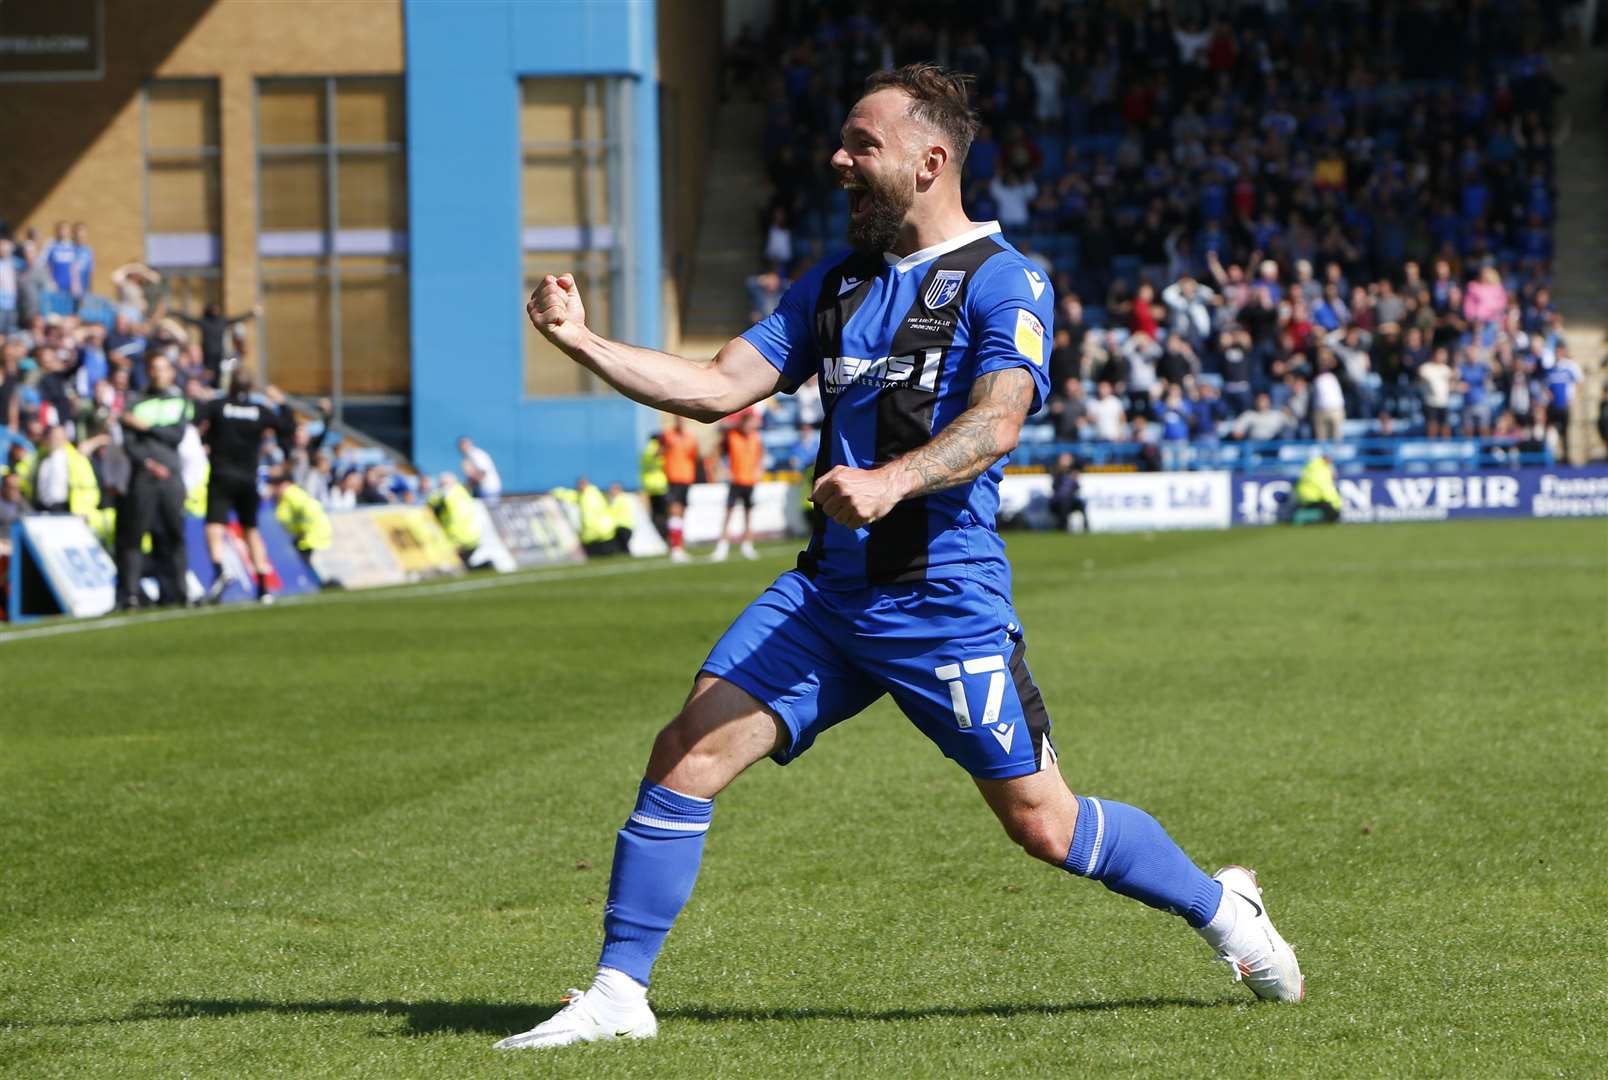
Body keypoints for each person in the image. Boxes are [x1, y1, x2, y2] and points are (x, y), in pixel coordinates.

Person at [501, 63, 1302, 1054]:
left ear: (931, 162)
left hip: (940, 601)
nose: (837, 160)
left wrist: (891, 481)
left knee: (1043, 824)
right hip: (826, 598)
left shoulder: (1007, 279)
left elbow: (999, 418)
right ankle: (620, 994)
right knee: (686, 754)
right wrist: (580, 341)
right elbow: (715, 388)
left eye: (859, 145)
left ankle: (1226, 914)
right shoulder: (835, 285)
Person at [196, 371, 290, 603]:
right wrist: (282, 404)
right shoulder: (259, 411)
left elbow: (195, 421)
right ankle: (263, 584)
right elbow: (286, 428)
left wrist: (202, 400)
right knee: (251, 530)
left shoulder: (218, 405)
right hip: (248, 478)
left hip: (222, 474)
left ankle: (219, 569)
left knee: (215, 524)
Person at [115, 354, 191, 609]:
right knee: (135, 536)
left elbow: (175, 436)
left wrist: (145, 427)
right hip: (144, 476)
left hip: (170, 478)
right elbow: (129, 442)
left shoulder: (179, 401)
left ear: (171, 373)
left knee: (172, 536)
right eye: (153, 369)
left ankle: (176, 592)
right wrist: (147, 463)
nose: (157, 374)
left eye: (162, 369)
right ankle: (131, 594)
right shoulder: (135, 401)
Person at [712, 410, 763, 561]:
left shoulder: (755, 438)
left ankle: (747, 545)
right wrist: (723, 469)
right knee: (729, 513)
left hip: (750, 481)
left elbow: (760, 455)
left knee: (748, 513)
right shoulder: (731, 437)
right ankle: (722, 546)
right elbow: (717, 452)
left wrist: (759, 469)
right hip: (736, 481)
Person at [172, 302, 262, 385]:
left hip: (219, 354)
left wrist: (252, 313)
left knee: (220, 375)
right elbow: (188, 319)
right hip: (208, 355)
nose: (215, 311)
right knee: (207, 375)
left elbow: (238, 318)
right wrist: (173, 312)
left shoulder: (222, 321)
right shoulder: (205, 322)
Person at [267, 470, 330, 580]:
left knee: (303, 562)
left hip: (309, 537)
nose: (275, 488)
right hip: (305, 536)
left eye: (278, 484)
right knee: (303, 562)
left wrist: (304, 531)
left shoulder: (292, 494)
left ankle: (317, 584)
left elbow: (309, 509)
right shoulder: (285, 497)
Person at [658, 417, 698, 563]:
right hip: (673, 477)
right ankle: (675, 547)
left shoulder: (691, 438)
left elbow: (694, 456)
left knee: (682, 512)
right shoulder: (668, 435)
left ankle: (679, 545)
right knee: (675, 510)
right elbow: (659, 452)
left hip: (686, 478)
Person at [552, 476, 618, 557]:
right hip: (591, 533)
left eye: (582, 484)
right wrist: (555, 492)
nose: (580, 486)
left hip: (603, 531)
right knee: (595, 558)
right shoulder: (581, 495)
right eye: (579, 484)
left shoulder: (593, 493)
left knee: (608, 555)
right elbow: (568, 495)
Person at [427, 472, 484, 565]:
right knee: (465, 564)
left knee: (454, 565)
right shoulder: (462, 490)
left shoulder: (445, 493)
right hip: (474, 536)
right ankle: (483, 565)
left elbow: (429, 502)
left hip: (457, 539)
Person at [1291, 453, 1343, 523]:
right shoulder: (1322, 470)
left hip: (1303, 497)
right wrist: (1336, 504)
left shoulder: (1311, 466)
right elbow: (1325, 489)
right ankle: (1304, 517)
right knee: (1333, 514)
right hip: (1314, 497)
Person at [1048, 452, 1088, 533]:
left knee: (1080, 503)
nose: (1066, 461)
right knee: (1064, 502)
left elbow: (1076, 487)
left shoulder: (1074, 471)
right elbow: (1056, 487)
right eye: (1064, 459)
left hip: (1070, 500)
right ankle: (1063, 527)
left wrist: (1073, 477)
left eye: (1068, 459)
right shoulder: (1056, 471)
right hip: (1058, 501)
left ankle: (1086, 527)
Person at [639, 433, 669, 539]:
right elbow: (656, 455)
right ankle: (665, 535)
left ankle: (662, 535)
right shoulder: (654, 447)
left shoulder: (647, 448)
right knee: (663, 513)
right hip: (658, 486)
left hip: (650, 487)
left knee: (656, 514)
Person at [457, 436, 502, 501]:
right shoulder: (468, 456)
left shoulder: (476, 454)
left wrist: (469, 479)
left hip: (488, 489)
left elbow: (483, 474)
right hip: (482, 489)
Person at [607, 483, 637, 554]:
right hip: (627, 526)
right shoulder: (625, 498)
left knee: (623, 547)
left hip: (622, 526)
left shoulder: (619, 499)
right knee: (623, 546)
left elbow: (612, 511)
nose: (611, 491)